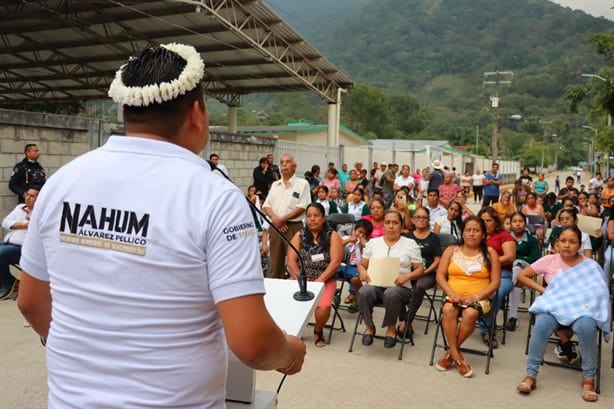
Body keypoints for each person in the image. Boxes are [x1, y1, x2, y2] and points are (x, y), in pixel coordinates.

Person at [17, 43, 306, 408]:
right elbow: (253, 343)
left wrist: (90, 358)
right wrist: (290, 353)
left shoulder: (62, 181)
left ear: (125, 109)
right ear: (197, 115)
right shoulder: (213, 195)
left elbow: (30, 302)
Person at [515, 226, 610, 402]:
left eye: (572, 242)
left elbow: (600, 293)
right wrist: (544, 290)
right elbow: (522, 276)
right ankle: (531, 375)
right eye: (563, 241)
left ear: (579, 245)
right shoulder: (550, 260)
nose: (567, 245)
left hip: (581, 311)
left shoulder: (590, 266)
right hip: (555, 308)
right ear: (557, 243)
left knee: (587, 326)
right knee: (542, 322)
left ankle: (588, 378)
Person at [435, 216, 501, 378]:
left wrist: (476, 297)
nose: (471, 234)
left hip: (480, 298)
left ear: (483, 234)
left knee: (470, 313)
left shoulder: (491, 253)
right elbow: (440, 276)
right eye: (468, 230)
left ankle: (450, 353)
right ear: (462, 233)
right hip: (453, 295)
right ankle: (457, 356)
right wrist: (451, 294)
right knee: (448, 309)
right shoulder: (451, 250)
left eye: (476, 231)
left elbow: (495, 283)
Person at [357, 210, 424, 349]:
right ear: (383, 225)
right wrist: (362, 272)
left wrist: (407, 276)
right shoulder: (373, 243)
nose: (391, 226)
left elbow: (419, 269)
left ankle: (391, 329)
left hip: (400, 288)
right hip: (376, 285)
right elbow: (362, 265)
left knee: (391, 293)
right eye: (387, 222)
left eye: (395, 223)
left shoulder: (410, 244)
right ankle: (369, 327)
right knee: (364, 291)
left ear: (401, 226)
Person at [286, 203, 343, 347]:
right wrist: (300, 279)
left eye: (316, 215)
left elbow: (336, 262)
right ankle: (294, 330)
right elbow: (291, 260)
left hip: (324, 279)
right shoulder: (299, 235)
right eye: (309, 216)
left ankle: (318, 330)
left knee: (323, 307)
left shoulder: (332, 236)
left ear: (323, 218)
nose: (312, 219)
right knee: (286, 301)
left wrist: (319, 281)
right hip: (301, 278)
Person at [263, 154, 312, 279]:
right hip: (275, 227)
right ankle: (275, 292)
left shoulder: (302, 184)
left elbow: (303, 206)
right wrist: (276, 220)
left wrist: (282, 220)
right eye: (282, 162)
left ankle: (299, 291)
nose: (284, 164)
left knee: (295, 263)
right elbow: (266, 205)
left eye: (288, 162)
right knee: (275, 263)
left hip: (293, 227)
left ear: (294, 166)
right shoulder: (275, 185)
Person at [398, 206, 442, 337]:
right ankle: (403, 319)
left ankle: (406, 322)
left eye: (425, 217)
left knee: (419, 286)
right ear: (412, 219)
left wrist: (425, 271)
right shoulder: (407, 237)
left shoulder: (434, 238)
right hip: (408, 272)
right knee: (396, 284)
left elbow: (437, 260)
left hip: (427, 273)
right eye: (418, 217)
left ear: (428, 220)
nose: (421, 220)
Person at [477, 207, 517, 348]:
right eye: (482, 220)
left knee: (494, 293)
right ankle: (479, 321)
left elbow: (510, 256)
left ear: (495, 221)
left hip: (503, 274)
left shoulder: (504, 236)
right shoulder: (476, 234)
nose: (486, 223)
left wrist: (490, 261)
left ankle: (485, 329)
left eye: (489, 220)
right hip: (478, 274)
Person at [0, 186, 40, 300]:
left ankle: (9, 284)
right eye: (27, 195)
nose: (28, 198)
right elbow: (6, 222)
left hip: (25, 250)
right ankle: (7, 284)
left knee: (1, 253)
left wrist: (16, 224)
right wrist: (24, 225)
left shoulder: (41, 212)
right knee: (3, 250)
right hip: (9, 244)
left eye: (32, 196)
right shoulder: (20, 208)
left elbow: (35, 227)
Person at [505, 212, 541, 332]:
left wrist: (519, 258)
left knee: (518, 269)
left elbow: (535, 257)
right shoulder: (506, 238)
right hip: (506, 269)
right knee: (517, 273)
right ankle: (512, 316)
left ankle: (513, 316)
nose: (518, 224)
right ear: (510, 224)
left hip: (527, 270)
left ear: (525, 223)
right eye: (514, 221)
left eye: (520, 221)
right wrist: (521, 257)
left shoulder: (531, 239)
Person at [338, 219, 373, 312]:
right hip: (340, 265)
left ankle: (354, 294)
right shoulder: (346, 238)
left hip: (355, 267)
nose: (361, 235)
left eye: (364, 234)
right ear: (354, 230)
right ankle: (335, 293)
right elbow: (336, 246)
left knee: (355, 277)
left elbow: (369, 258)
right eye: (359, 232)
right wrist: (349, 240)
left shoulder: (368, 244)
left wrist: (364, 246)